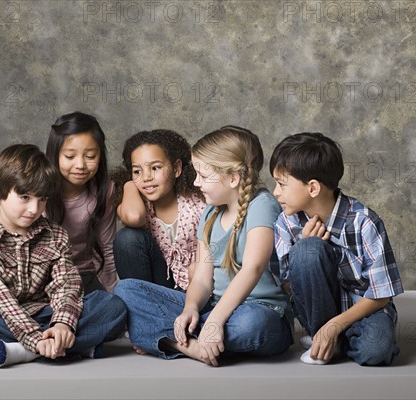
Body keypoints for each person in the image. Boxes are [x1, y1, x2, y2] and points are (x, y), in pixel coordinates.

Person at [114, 126, 293, 366]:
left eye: (203, 176)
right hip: (213, 307)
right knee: (126, 290)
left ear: (233, 178)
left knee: (251, 324)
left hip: (259, 310)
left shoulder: (262, 204)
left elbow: (253, 268)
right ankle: (194, 344)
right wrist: (190, 309)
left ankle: (170, 340)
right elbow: (201, 278)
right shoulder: (211, 210)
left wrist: (215, 321)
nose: (196, 183)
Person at [0, 144, 127, 368]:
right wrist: (35, 338)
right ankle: (66, 347)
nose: (34, 208)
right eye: (24, 197)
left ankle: (20, 352)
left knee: (112, 306)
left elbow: (66, 284)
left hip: (46, 313)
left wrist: (63, 325)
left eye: (42, 199)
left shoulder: (55, 234)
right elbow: (0, 298)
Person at [270, 132, 403, 366]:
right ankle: (325, 337)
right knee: (308, 249)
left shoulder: (364, 222)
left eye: (282, 184)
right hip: (316, 313)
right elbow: (290, 286)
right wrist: (303, 248)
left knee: (376, 352)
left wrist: (335, 326)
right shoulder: (286, 222)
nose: (275, 192)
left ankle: (334, 339)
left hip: (363, 310)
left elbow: (381, 293)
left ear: (312, 188)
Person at [112, 129, 205, 291]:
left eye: (155, 168)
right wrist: (129, 185)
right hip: (160, 287)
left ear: (176, 168)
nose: (146, 177)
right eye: (137, 171)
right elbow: (134, 217)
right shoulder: (133, 202)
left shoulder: (198, 202)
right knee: (127, 238)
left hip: (200, 284)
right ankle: (143, 306)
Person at [45, 111, 117, 293]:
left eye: (90, 156)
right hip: (44, 276)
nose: (80, 165)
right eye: (70, 157)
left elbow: (106, 247)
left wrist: (112, 293)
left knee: (110, 307)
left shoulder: (105, 190)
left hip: (85, 275)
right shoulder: (39, 189)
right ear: (55, 155)